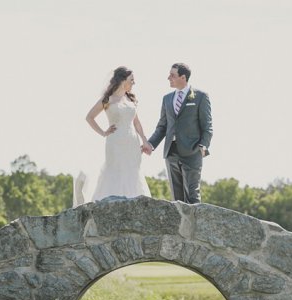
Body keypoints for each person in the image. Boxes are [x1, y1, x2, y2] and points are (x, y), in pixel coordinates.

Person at [77, 66, 151, 204]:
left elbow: (137, 123)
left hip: (132, 142)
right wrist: (103, 133)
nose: (134, 83)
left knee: (132, 171)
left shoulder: (131, 100)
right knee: (115, 170)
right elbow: (90, 117)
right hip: (115, 141)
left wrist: (145, 141)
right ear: (123, 80)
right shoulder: (107, 100)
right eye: (131, 80)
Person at [143, 63, 213, 204]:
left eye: (172, 75)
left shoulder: (200, 96)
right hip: (171, 152)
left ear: (183, 77)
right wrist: (150, 144)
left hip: (192, 152)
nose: (169, 78)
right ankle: (181, 226)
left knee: (192, 196)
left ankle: (195, 226)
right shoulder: (167, 99)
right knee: (177, 199)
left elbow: (207, 126)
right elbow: (162, 127)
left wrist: (203, 146)